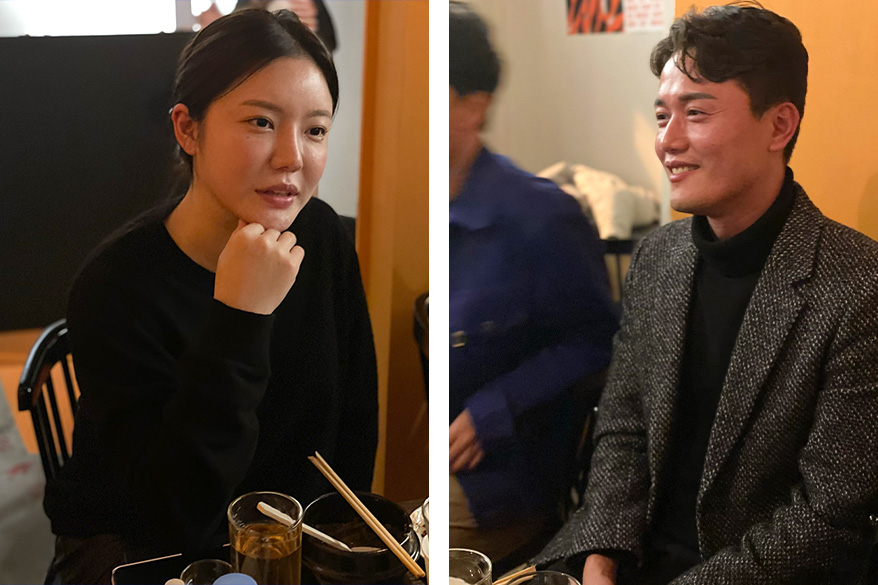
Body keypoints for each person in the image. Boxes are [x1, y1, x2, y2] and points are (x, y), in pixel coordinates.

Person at [534, 3, 878, 584]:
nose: (667, 141)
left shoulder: (857, 284)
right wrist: (601, 558)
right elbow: (624, 430)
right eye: (661, 115)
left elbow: (828, 515)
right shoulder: (658, 258)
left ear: (779, 126)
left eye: (695, 113)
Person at [43, 9, 377, 584]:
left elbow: (354, 424)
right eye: (261, 122)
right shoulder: (116, 283)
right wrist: (241, 317)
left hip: (286, 543)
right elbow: (171, 513)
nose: (292, 157)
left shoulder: (321, 237)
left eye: (316, 129)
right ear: (188, 129)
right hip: (139, 547)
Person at [449, 1, 620, 565]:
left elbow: (599, 341)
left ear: (475, 105)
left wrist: (495, 408)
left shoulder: (542, 215)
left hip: (505, 476)